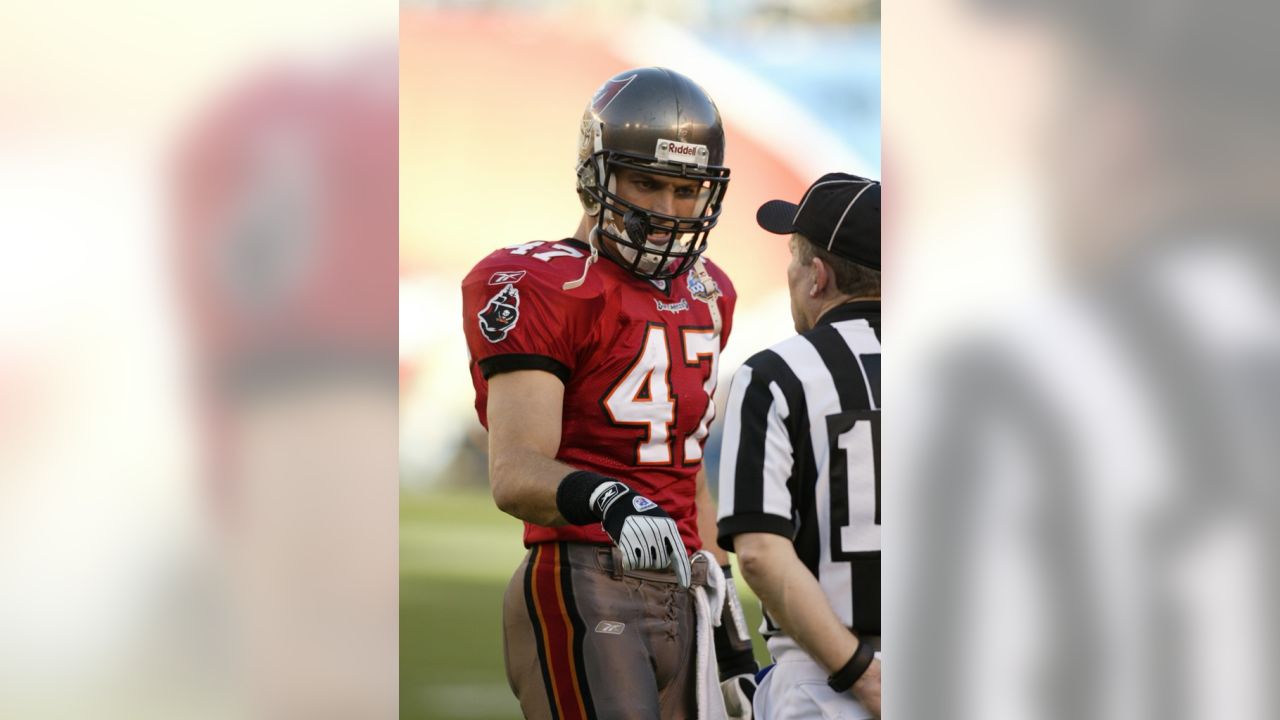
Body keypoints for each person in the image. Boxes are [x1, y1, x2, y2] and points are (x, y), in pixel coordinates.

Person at [461, 67, 760, 720]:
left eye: (686, 189)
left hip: (683, 589)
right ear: (598, 173)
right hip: (587, 574)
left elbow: (686, 473)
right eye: (647, 182)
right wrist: (611, 500)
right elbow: (515, 473)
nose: (668, 208)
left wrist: (730, 634)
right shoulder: (541, 283)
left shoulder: (709, 295)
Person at [716, 174, 883, 719]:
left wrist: (863, 674)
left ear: (818, 276)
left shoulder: (777, 374)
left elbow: (760, 552)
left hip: (828, 683)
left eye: (794, 255)